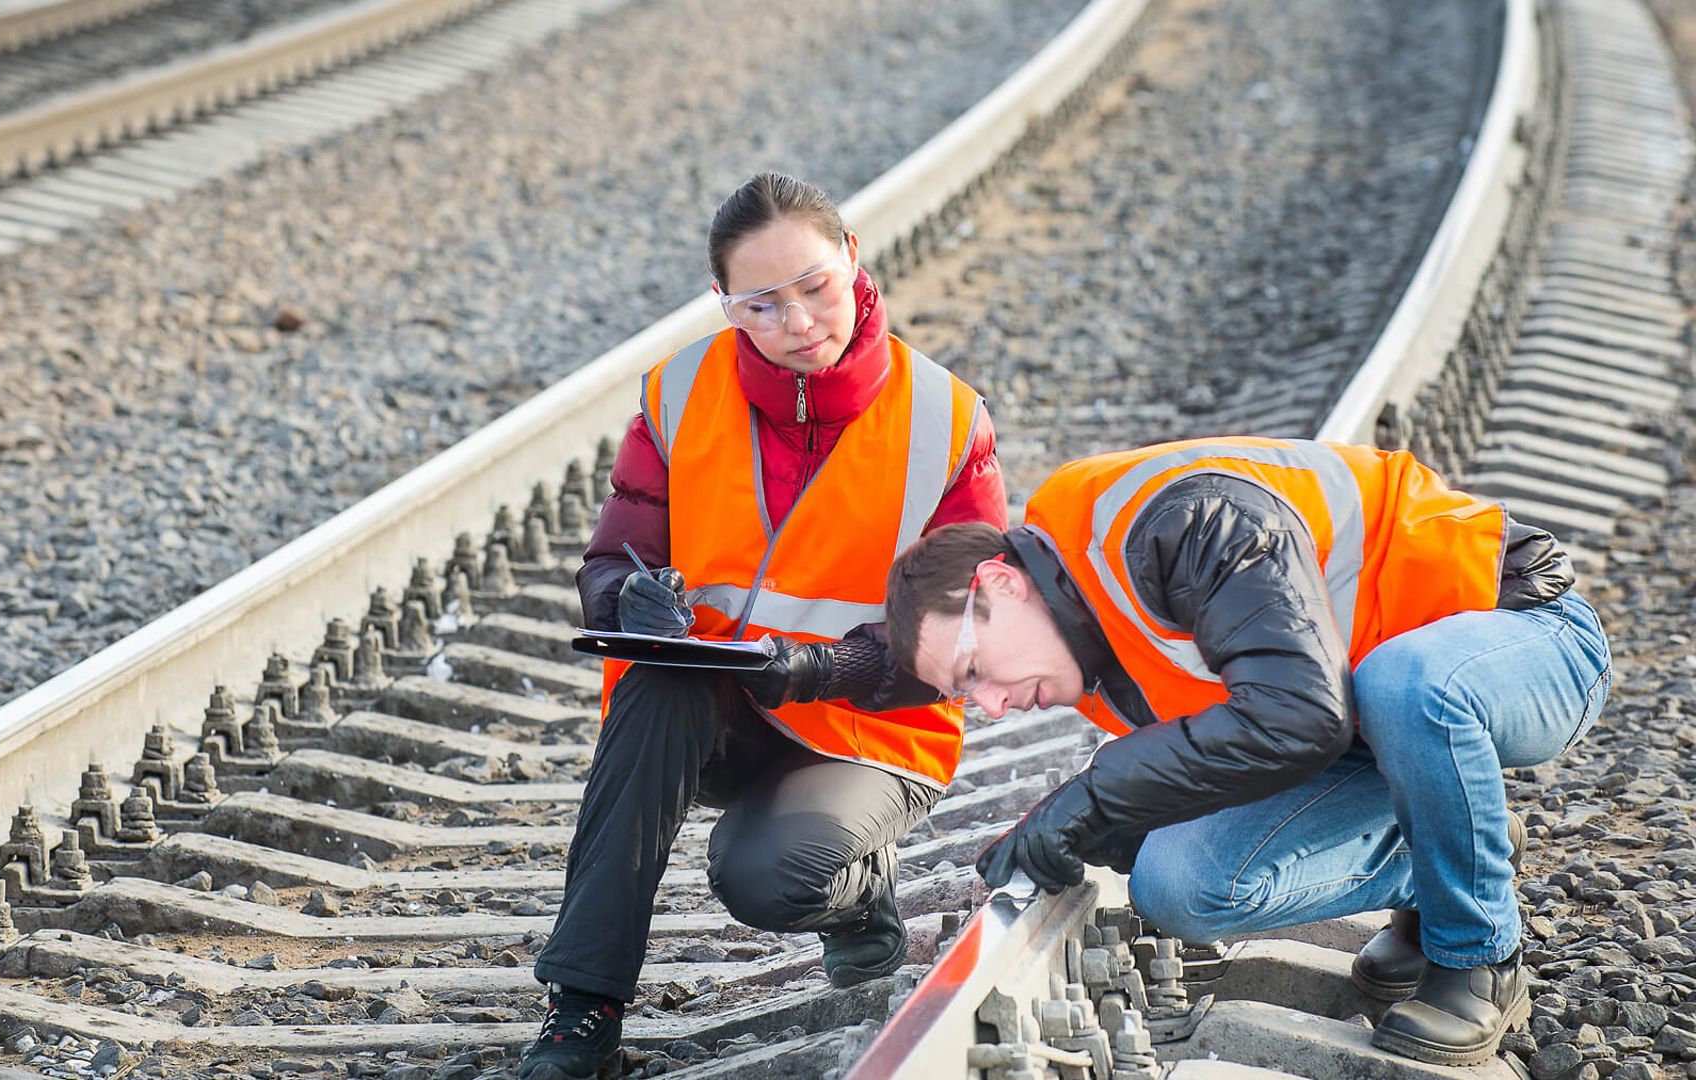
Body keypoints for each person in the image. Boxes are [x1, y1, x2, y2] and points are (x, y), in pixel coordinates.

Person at [881, 435, 1609, 1067]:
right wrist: (1109, 826)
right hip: (1363, 727)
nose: (992, 705)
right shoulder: (1086, 634)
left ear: (1001, 584)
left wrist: (1096, 795)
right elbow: (1245, 741)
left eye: (973, 672)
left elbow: (1297, 717)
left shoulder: (1184, 523)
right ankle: (1444, 864)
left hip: (1522, 636)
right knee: (1177, 883)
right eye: (963, 694)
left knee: (1402, 681)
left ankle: (1480, 957)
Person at [518, 172, 1008, 1080]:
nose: (798, 321)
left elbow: (967, 636)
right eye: (762, 304)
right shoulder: (679, 391)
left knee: (766, 880)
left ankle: (862, 893)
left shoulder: (943, 419)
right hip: (713, 709)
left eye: (815, 286)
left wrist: (820, 669)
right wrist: (629, 601)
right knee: (657, 683)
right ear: (725, 304)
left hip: (867, 730)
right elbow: (611, 557)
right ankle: (581, 1012)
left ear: (853, 259)